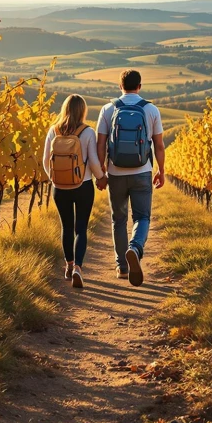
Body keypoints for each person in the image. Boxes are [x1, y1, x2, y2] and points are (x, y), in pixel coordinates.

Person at [96, 69, 164, 286]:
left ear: (120, 86)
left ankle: (122, 267)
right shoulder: (151, 109)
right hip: (142, 171)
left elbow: (100, 144)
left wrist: (102, 172)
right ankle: (135, 247)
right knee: (142, 217)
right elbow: (159, 145)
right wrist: (161, 170)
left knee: (119, 219)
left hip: (115, 173)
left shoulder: (108, 109)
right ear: (140, 86)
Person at [42, 94, 106, 288]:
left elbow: (46, 162)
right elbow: (94, 162)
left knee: (66, 226)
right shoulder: (87, 132)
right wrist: (102, 178)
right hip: (83, 186)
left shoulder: (54, 131)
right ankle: (78, 267)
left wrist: (55, 178)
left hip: (59, 188)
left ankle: (68, 265)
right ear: (83, 111)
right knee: (81, 229)